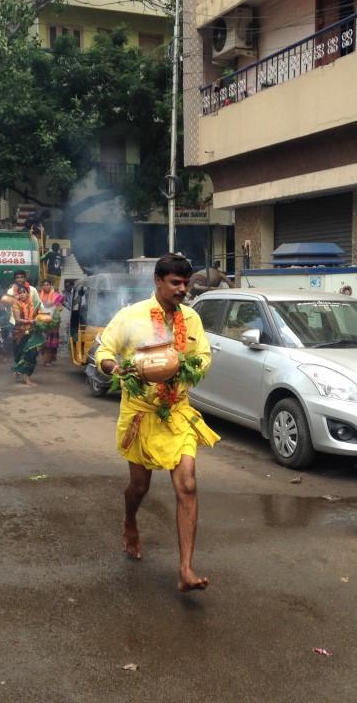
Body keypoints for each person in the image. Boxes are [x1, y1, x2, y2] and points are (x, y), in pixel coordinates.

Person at [96, 253, 219, 592]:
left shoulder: (191, 319)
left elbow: (204, 357)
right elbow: (104, 352)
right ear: (158, 281)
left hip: (177, 410)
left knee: (188, 485)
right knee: (140, 487)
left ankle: (186, 569)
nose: (182, 290)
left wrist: (186, 367)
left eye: (186, 283)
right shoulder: (130, 317)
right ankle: (130, 520)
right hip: (140, 413)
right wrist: (116, 369)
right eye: (175, 283)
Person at [11, 282, 45, 386]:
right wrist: (31, 321)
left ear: (28, 293)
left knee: (32, 355)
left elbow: (37, 315)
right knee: (21, 355)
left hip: (31, 332)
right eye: (20, 293)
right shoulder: (16, 304)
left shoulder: (31, 303)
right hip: (20, 334)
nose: (22, 294)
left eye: (24, 292)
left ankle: (26, 377)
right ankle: (20, 372)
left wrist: (39, 320)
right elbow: (17, 320)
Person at [38, 278, 63, 366]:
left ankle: (49, 359)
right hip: (42, 321)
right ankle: (46, 360)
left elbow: (60, 307)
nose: (46, 286)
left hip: (53, 322)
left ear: (51, 285)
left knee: (52, 341)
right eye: (44, 285)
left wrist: (55, 312)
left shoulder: (56, 296)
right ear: (42, 286)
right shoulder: (38, 296)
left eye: (48, 285)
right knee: (44, 341)